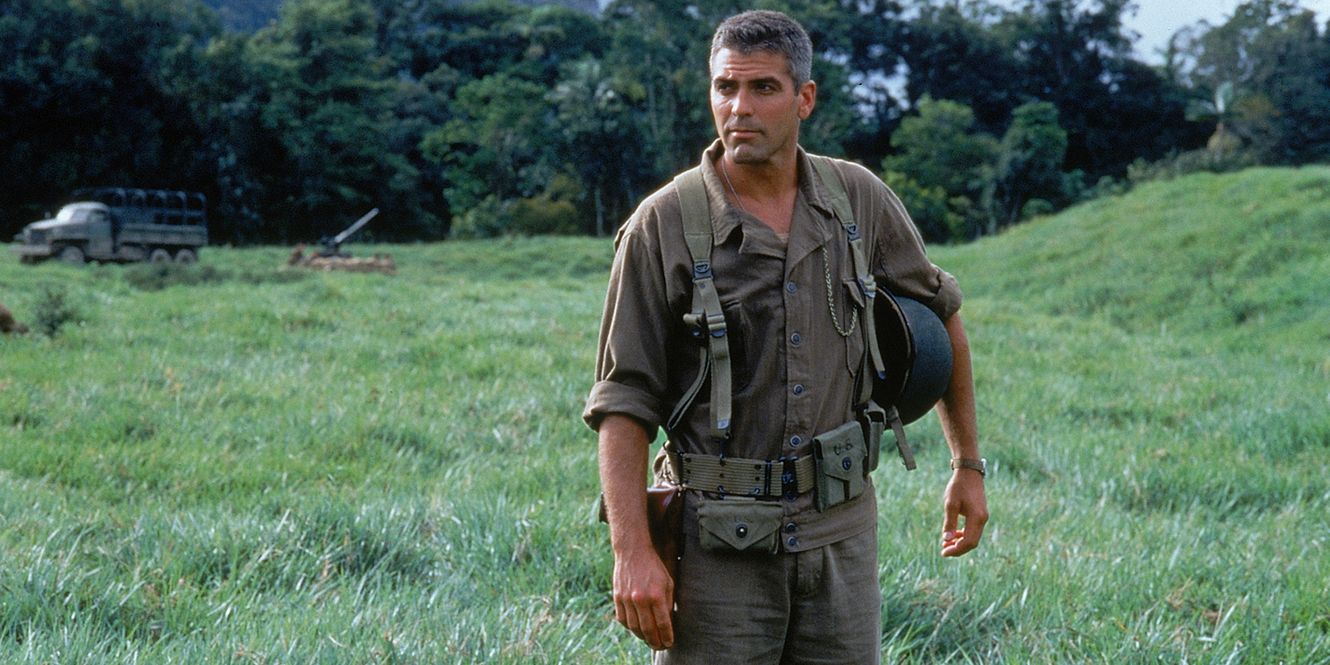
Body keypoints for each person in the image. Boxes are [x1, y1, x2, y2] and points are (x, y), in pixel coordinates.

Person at [583, 10, 987, 663]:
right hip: (718, 546)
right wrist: (631, 551)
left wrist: (966, 464)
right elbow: (623, 401)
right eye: (725, 88)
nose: (739, 107)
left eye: (763, 88)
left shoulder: (858, 199)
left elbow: (940, 314)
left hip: (840, 536)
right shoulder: (662, 225)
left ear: (804, 99)